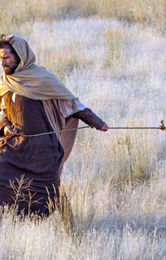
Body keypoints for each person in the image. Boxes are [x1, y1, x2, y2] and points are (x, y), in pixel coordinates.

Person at [0, 34, 108, 216]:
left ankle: (46, 221)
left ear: (20, 56)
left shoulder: (43, 80)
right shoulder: (6, 82)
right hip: (15, 146)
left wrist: (99, 123)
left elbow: (73, 104)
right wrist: (5, 126)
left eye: (6, 57)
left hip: (43, 150)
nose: (3, 62)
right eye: (0, 58)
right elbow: (4, 110)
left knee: (45, 192)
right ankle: (10, 219)